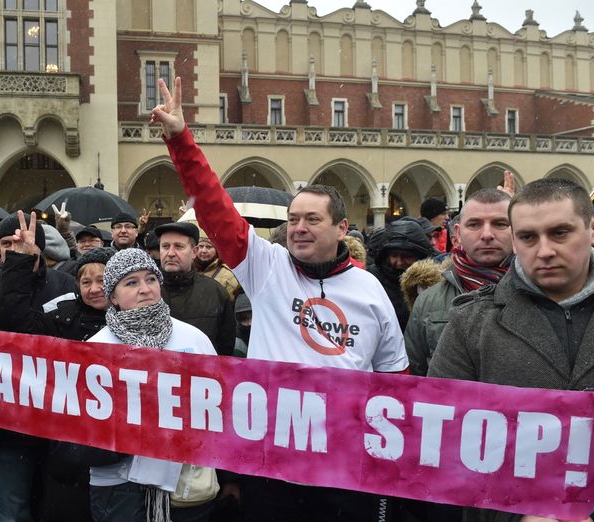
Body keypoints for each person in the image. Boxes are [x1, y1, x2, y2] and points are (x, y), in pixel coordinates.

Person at [151, 76, 407, 521]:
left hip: (345, 467)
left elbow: (396, 383)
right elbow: (215, 207)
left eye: (312, 219)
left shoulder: (370, 290)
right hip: (273, 459)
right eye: (293, 219)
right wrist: (181, 140)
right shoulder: (267, 267)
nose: (299, 228)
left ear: (342, 229)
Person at [429, 178, 594, 522]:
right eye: (528, 237)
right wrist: (517, 515)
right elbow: (442, 446)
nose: (545, 250)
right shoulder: (470, 323)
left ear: (592, 230)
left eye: (560, 233)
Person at [0, 211, 77, 522]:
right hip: (6, 425)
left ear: (38, 246)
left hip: (59, 421)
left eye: (22, 241)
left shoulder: (66, 285)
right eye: (7, 242)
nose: (14, 248)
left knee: (58, 509)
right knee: (13, 511)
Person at [88, 248, 218, 522]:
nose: (145, 289)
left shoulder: (193, 339)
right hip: (117, 487)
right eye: (131, 282)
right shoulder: (95, 349)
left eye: (151, 279)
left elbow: (221, 406)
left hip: (183, 483)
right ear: (112, 295)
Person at [405, 188, 512, 377]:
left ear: (518, 229)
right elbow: (415, 375)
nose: (487, 234)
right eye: (474, 224)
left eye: (500, 224)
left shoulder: (542, 295)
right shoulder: (428, 301)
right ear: (458, 233)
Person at [155, 221, 236, 356]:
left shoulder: (215, 292)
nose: (170, 253)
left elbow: (225, 348)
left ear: (194, 252)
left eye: (179, 247)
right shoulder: (145, 291)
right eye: (165, 246)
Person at [367, 218, 436, 330]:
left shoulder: (432, 281)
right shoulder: (371, 278)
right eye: (394, 256)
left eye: (406, 256)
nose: (399, 262)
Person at [194, 235, 242, 300]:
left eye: (209, 247)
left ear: (216, 251)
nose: (204, 251)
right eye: (201, 246)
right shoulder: (187, 270)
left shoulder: (227, 276)